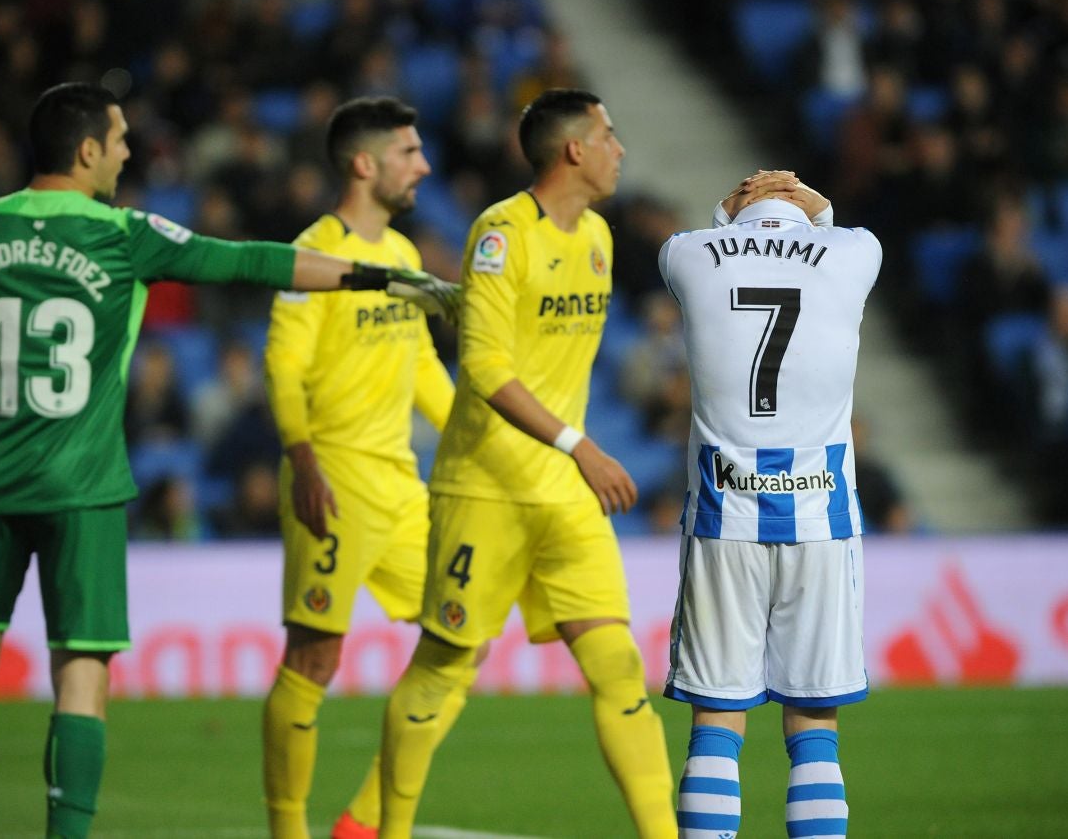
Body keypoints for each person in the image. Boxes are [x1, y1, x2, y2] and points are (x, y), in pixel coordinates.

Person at [0, 81, 458, 839]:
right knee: (82, 670)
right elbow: (247, 262)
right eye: (121, 139)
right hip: (84, 486)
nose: (130, 152)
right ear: (88, 149)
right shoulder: (123, 233)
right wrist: (372, 276)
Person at [376, 88, 677, 839]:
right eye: (608, 135)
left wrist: (572, 452)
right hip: (485, 488)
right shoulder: (501, 234)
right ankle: (391, 832)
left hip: (563, 495)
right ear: (573, 149)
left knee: (616, 670)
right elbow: (483, 367)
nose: (620, 150)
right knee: (444, 665)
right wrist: (579, 445)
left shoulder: (600, 239)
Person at [659, 171, 880, 838]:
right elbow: (837, 227)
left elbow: (694, 236)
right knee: (814, 726)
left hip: (723, 518)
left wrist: (732, 203)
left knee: (716, 723)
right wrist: (809, 200)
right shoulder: (852, 255)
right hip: (819, 518)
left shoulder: (689, 255)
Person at [260, 96, 457, 839]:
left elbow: (423, 377)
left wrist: (493, 432)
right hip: (332, 480)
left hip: (399, 488)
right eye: (409, 152)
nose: (424, 166)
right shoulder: (311, 253)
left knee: (457, 641)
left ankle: (365, 823)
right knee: (314, 658)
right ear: (363, 164)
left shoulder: (404, 259)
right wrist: (302, 459)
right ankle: (288, 830)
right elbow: (282, 366)